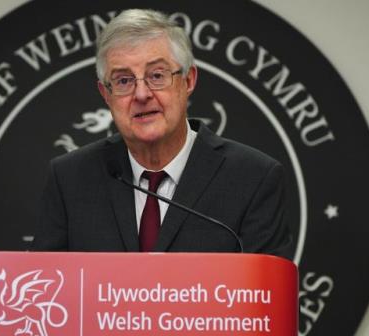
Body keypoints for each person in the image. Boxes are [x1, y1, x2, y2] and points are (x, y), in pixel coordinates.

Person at [34, 9, 292, 259]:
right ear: (106, 94)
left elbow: (266, 298)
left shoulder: (253, 178)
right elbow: (43, 289)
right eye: (123, 81)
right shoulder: (69, 179)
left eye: (157, 75)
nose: (142, 94)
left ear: (188, 81)